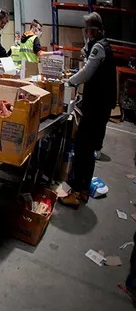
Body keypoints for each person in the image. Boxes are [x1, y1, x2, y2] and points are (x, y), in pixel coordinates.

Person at [60, 12, 116, 207]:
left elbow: (87, 71)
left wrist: (68, 81)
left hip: (96, 108)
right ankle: (81, 191)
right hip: (98, 107)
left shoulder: (99, 47)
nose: (85, 34)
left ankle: (77, 192)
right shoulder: (102, 46)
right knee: (87, 148)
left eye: (86, 31)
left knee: (84, 148)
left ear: (92, 31)